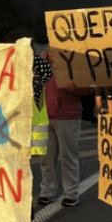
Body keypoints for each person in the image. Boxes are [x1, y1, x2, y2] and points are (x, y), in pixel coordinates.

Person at [37, 46, 93, 207]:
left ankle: (71, 193)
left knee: (68, 156)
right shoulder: (41, 67)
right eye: (50, 51)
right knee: (45, 158)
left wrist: (77, 88)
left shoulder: (74, 66)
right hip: (42, 117)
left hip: (67, 116)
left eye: (55, 51)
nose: (52, 54)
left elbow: (89, 88)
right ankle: (47, 191)